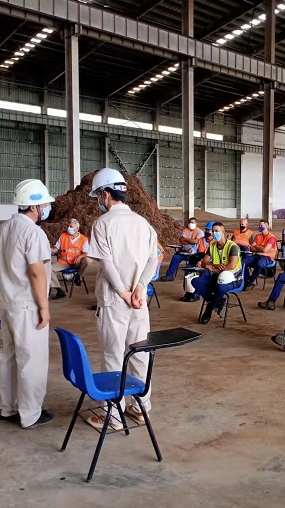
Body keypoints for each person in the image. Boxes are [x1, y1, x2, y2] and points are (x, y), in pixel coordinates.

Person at [86, 168, 158, 429]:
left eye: (99, 195)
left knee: (113, 355)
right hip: (138, 301)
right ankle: (141, 408)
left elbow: (106, 262)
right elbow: (154, 258)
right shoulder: (143, 223)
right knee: (140, 352)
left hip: (114, 300)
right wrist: (140, 287)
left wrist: (122, 291)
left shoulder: (103, 224)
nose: (99, 200)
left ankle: (112, 415)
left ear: (106, 194)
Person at [0, 179, 54, 429]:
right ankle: (30, 414)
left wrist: (2, 282)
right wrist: (44, 307)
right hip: (27, 306)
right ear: (34, 206)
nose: (46, 208)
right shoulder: (33, 232)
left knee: (9, 356)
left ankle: (8, 408)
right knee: (32, 360)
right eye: (44, 204)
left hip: (6, 303)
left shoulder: (1, 229)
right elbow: (36, 271)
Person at [192, 223, 243, 324]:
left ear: (223, 232)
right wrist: (214, 265)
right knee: (196, 281)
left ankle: (209, 310)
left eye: (216, 231)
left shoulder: (232, 246)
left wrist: (214, 268)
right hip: (218, 276)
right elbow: (204, 263)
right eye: (213, 231)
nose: (214, 233)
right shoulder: (212, 246)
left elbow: (231, 266)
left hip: (234, 278)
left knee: (220, 288)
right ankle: (218, 302)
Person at [49, 218, 91, 299]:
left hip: (76, 263)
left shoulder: (84, 239)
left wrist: (79, 256)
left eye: (71, 226)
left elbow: (87, 252)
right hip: (63, 262)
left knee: (88, 260)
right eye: (68, 226)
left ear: (77, 228)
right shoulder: (63, 236)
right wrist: (49, 248)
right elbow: (56, 249)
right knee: (48, 268)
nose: (69, 228)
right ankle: (59, 290)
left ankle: (78, 276)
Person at [160, 217, 203, 281]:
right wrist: (191, 242)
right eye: (190, 222)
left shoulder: (200, 232)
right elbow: (181, 241)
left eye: (192, 222)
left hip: (195, 254)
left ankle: (190, 279)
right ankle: (169, 275)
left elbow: (196, 242)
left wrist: (186, 239)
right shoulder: (185, 230)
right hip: (184, 252)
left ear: (196, 224)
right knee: (176, 257)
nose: (191, 224)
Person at [242, 220, 277, 290]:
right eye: (259, 225)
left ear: (266, 227)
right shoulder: (258, 236)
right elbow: (251, 248)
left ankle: (250, 281)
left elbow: (265, 250)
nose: (259, 227)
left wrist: (256, 246)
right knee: (243, 262)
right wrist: (260, 248)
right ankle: (247, 280)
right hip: (257, 255)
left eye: (261, 225)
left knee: (259, 263)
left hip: (268, 258)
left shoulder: (271, 238)